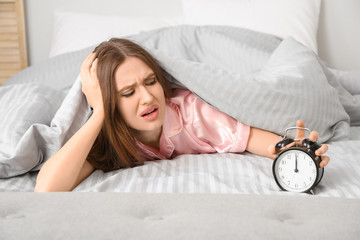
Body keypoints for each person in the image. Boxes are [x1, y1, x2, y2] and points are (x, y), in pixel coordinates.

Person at [34, 38, 330, 192]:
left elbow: (251, 136)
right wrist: (99, 113)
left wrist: (293, 151)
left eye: (151, 82)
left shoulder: (192, 112)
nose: (148, 97)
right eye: (128, 93)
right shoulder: (105, 140)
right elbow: (47, 188)